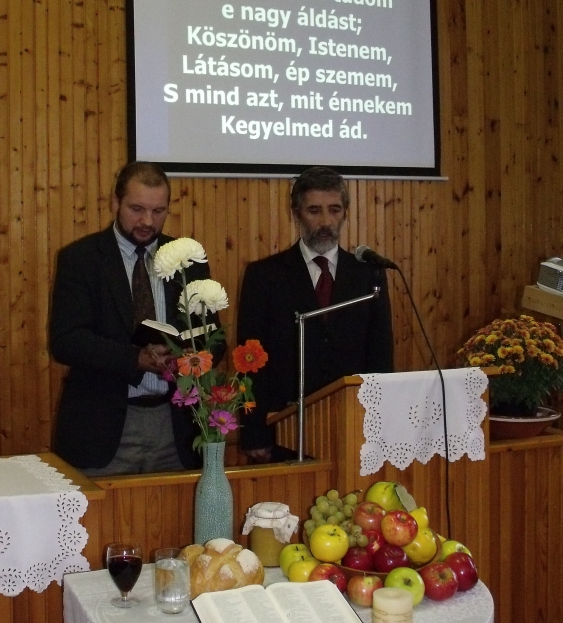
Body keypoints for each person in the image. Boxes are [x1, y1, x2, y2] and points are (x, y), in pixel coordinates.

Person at [50, 162, 220, 475]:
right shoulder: (81, 259)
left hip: (177, 427)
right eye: (137, 209)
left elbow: (214, 339)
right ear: (115, 202)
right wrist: (135, 359)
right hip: (103, 428)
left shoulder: (188, 261)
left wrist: (188, 358)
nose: (147, 221)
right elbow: (67, 341)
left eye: (158, 211)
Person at [237, 166, 393, 462]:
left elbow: (380, 356)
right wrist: (254, 431)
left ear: (345, 213)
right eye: (314, 210)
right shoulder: (264, 276)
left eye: (334, 210)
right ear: (296, 213)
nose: (325, 221)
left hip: (354, 426)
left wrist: (380, 425)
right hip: (285, 429)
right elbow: (250, 361)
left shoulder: (367, 275)